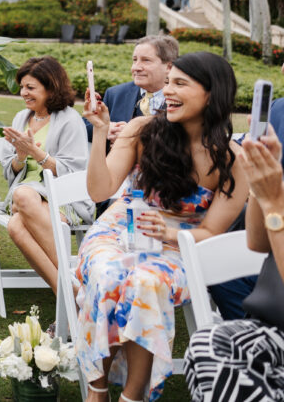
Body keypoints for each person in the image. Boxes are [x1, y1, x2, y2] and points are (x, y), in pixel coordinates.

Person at [77, 52, 249, 402]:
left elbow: (211, 232)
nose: (168, 91)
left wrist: (167, 233)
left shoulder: (232, 160)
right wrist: (99, 133)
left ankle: (132, 395)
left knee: (147, 282)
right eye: (168, 81)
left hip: (182, 243)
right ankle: (97, 390)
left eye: (180, 83)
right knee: (110, 273)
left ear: (212, 94)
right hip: (120, 229)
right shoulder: (142, 131)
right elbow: (100, 190)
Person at [184, 128, 284, 402]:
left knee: (213, 353)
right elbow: (258, 242)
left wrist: (276, 203)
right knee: (206, 344)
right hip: (270, 325)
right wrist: (259, 188)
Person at [0, 56, 90, 293]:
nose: (23, 93)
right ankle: (73, 292)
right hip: (26, 198)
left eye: (30, 87)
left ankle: (69, 293)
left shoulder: (70, 120)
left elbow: (74, 173)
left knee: (17, 221)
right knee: (22, 203)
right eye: (22, 87)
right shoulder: (21, 118)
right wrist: (20, 155)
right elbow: (9, 171)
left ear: (51, 88)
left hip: (64, 199)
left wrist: (35, 153)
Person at [85, 35, 178, 145]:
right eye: (135, 60)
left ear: (169, 67)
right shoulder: (115, 94)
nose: (136, 68)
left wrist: (132, 135)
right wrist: (105, 129)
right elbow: (84, 127)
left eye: (146, 60)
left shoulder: (180, 99)